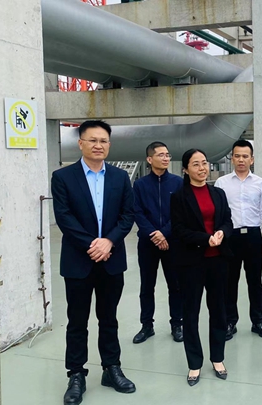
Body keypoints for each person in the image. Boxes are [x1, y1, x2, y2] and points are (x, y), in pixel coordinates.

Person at [51, 120, 136, 405]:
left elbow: (127, 215)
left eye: (103, 141)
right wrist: (93, 244)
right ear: (81, 143)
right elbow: (64, 218)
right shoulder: (63, 177)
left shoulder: (120, 177)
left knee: (109, 318)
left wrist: (109, 241)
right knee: (77, 321)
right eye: (93, 140)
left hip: (111, 260)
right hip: (79, 260)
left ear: (109, 145)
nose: (98, 145)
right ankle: (76, 374)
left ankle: (111, 368)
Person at [170, 148, 233, 386]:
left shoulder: (218, 193)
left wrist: (221, 233)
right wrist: (205, 239)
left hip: (218, 260)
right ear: (186, 169)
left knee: (218, 311)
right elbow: (179, 230)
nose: (202, 168)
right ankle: (194, 363)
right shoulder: (179, 197)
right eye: (195, 164)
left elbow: (227, 220)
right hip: (191, 263)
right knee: (191, 313)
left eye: (204, 163)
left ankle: (218, 358)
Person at [214, 140, 262, 341]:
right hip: (230, 237)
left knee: (255, 281)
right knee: (229, 282)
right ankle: (230, 321)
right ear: (232, 158)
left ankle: (258, 321)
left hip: (253, 237)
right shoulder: (222, 183)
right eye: (237, 156)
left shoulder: (260, 183)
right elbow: (218, 213)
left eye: (245, 156)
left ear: (252, 159)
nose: (241, 160)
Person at [132, 142, 184, 345]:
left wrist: (164, 233)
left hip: (173, 243)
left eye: (167, 155)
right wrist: (154, 234)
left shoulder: (178, 183)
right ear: (149, 159)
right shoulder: (140, 185)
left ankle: (177, 324)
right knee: (147, 286)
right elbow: (137, 212)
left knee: (176, 285)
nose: (165, 158)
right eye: (161, 155)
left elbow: (180, 213)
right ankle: (147, 325)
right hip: (148, 243)